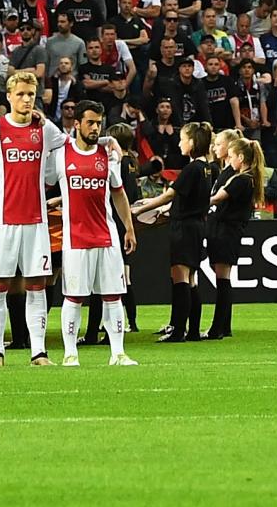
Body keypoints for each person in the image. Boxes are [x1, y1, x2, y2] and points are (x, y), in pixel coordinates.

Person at [0, 70, 57, 365]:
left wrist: (108, 141)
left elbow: (72, 150)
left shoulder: (46, 130)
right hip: (2, 222)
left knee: (37, 285)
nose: (25, 100)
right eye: (20, 94)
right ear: (8, 97)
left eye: (30, 95)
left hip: (36, 222)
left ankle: (39, 351)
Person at [50, 98, 139, 367]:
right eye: (89, 122)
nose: (95, 128)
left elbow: (119, 193)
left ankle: (118, 353)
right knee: (74, 297)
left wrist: (129, 229)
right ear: (76, 124)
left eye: (98, 123)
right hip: (76, 239)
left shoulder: (109, 156)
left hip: (107, 236)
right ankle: (70, 353)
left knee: (113, 295)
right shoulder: (60, 155)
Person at [146, 120, 215, 344]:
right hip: (197, 226)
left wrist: (142, 207)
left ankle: (178, 331)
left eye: (183, 139)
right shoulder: (207, 168)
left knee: (180, 278)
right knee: (191, 279)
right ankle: (192, 330)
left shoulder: (192, 168)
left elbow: (170, 195)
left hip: (184, 228)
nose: (179, 143)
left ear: (192, 142)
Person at [204, 130, 265, 339]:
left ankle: (217, 328)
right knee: (223, 278)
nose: (228, 160)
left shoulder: (240, 180)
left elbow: (216, 199)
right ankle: (224, 326)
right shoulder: (247, 179)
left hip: (225, 231)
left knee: (222, 279)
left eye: (231, 156)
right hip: (228, 231)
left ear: (240, 158)